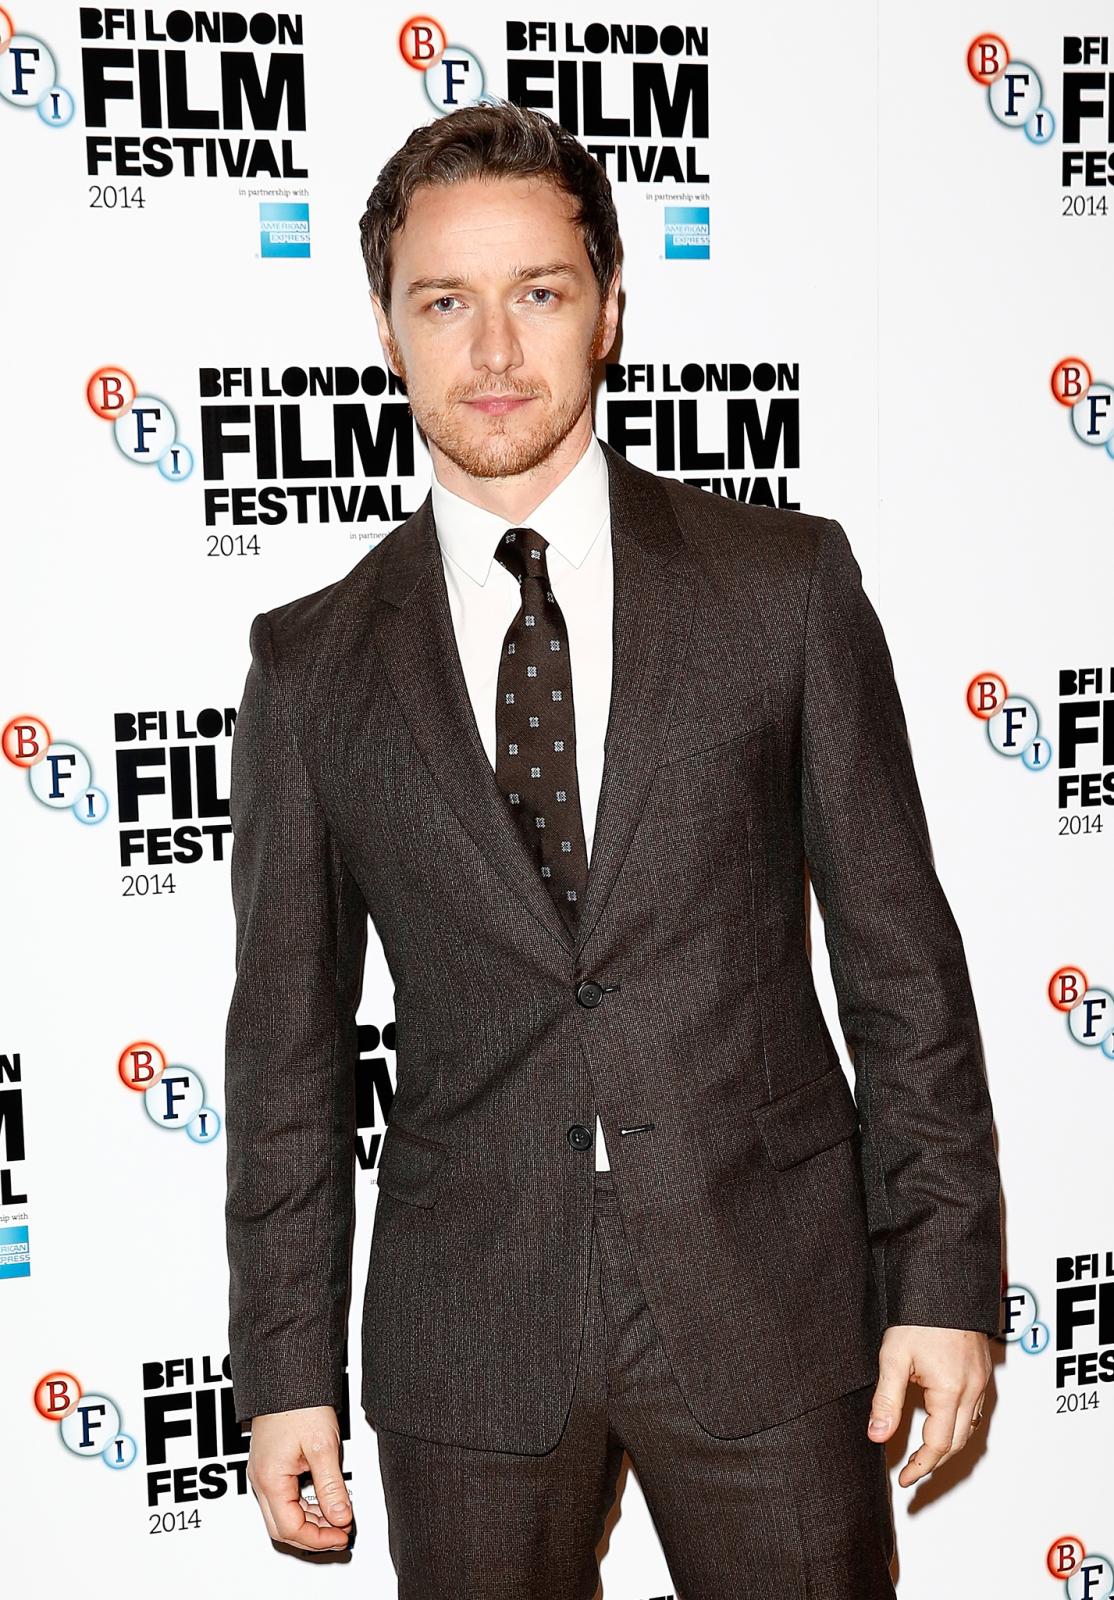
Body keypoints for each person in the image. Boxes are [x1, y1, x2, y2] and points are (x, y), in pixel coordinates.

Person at [222, 100, 1002, 1597]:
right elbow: (285, 1054)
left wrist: (944, 1275)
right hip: (467, 1334)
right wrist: (283, 1372)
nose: (493, 351)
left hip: (770, 1299)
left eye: (537, 292)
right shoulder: (312, 666)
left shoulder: (780, 586)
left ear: (610, 309)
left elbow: (900, 958)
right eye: (443, 302)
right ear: (385, 329)